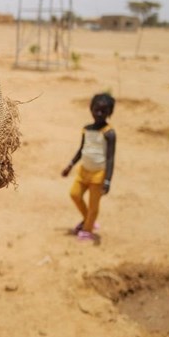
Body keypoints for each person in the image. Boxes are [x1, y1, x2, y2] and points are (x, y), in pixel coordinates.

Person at [61, 93, 116, 242]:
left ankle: (87, 230)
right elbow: (81, 150)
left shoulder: (109, 133)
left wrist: (108, 181)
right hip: (83, 172)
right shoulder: (86, 129)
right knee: (75, 194)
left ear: (109, 113)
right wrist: (70, 165)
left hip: (98, 175)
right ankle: (88, 220)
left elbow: (110, 158)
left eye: (103, 111)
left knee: (93, 205)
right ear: (91, 109)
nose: (99, 114)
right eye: (96, 109)